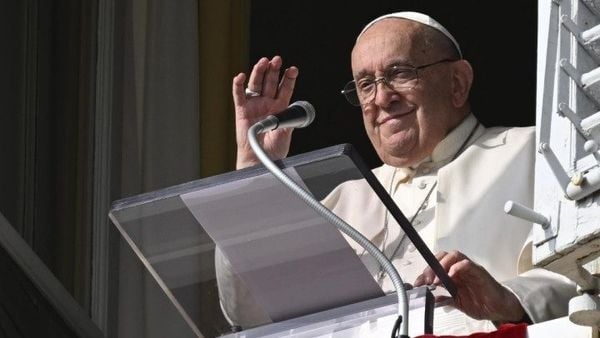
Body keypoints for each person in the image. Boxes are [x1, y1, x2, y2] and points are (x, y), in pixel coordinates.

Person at [218, 11, 577, 334]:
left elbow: (586, 273)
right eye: (365, 84)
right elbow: (251, 313)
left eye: (399, 73)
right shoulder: (346, 201)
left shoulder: (540, 153)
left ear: (457, 83)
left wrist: (508, 300)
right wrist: (253, 174)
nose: (381, 98)